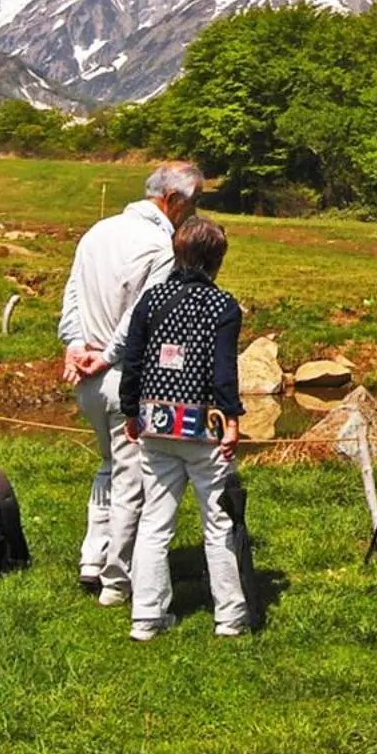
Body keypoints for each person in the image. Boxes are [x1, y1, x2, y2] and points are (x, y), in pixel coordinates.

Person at [57, 161, 203, 606]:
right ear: (172, 200)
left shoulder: (97, 232)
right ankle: (116, 579)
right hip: (125, 376)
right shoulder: (162, 245)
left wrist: (75, 344)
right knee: (132, 480)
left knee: (107, 464)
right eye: (193, 203)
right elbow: (141, 316)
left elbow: (73, 296)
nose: (193, 213)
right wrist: (106, 356)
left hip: (87, 377)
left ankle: (92, 557)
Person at [113, 216, 247, 642]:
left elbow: (132, 363)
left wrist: (132, 412)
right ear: (216, 260)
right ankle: (229, 616)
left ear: (178, 251)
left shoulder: (151, 301)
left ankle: (146, 617)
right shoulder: (223, 307)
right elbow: (224, 370)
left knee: (155, 521)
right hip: (203, 427)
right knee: (217, 521)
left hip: (155, 423)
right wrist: (232, 419)